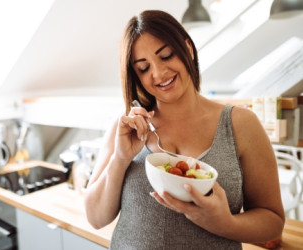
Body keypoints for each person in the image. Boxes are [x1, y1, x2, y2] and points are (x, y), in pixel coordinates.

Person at [84, 10, 285, 249]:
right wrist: (121, 157)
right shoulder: (126, 128)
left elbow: (272, 221)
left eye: (166, 56)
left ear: (187, 49)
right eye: (144, 68)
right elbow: (96, 218)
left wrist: (223, 223)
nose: (158, 73)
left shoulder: (241, 124)